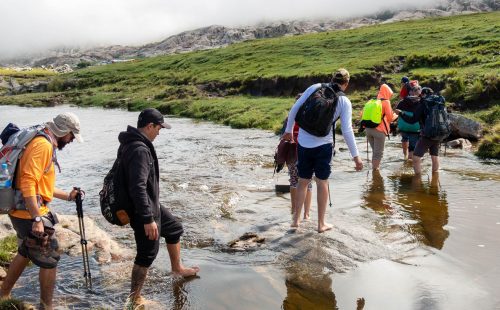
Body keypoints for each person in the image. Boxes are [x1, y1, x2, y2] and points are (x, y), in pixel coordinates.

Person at [0, 112, 84, 310]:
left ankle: (3, 293)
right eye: (72, 135)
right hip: (28, 212)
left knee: (26, 251)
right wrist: (37, 218)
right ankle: (47, 306)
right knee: (50, 258)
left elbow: (40, 184)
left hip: (24, 209)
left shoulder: (43, 138)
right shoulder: (43, 145)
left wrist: (68, 196)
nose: (71, 140)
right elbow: (28, 182)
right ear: (64, 131)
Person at [118, 108, 199, 308]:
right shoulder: (140, 150)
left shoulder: (132, 143)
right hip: (141, 207)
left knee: (174, 228)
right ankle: (134, 298)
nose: (159, 132)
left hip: (148, 203)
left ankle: (177, 268)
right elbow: (137, 187)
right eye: (159, 128)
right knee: (146, 254)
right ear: (149, 126)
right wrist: (147, 218)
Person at [282, 68, 363, 233]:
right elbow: (347, 130)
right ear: (346, 84)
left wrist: (289, 130)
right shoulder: (344, 101)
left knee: (302, 181)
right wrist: (356, 157)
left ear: (332, 78)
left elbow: (295, 108)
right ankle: (321, 224)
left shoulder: (315, 87)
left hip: (303, 143)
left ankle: (296, 220)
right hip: (324, 146)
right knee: (322, 182)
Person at [280, 93, 313, 219]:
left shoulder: (290, 117)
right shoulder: (311, 117)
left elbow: (283, 136)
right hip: (308, 151)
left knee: (294, 181)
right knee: (308, 183)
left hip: (292, 152)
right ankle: (306, 214)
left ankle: (294, 210)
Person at [396, 87, 441, 174]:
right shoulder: (438, 103)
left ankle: (417, 181)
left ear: (423, 94)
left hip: (427, 134)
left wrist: (401, 113)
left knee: (416, 158)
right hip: (439, 133)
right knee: (434, 157)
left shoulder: (423, 104)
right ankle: (434, 180)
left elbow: (413, 120)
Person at [364, 84, 396, 170]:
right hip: (379, 131)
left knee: (375, 152)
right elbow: (389, 118)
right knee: (378, 154)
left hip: (368, 130)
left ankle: (374, 170)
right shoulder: (386, 102)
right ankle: (376, 173)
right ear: (387, 93)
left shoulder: (372, 101)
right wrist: (395, 116)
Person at [395, 84, 422, 160]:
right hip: (415, 126)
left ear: (411, 92)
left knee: (404, 139)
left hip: (403, 126)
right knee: (412, 145)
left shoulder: (403, 101)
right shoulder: (421, 102)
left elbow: (396, 111)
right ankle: (410, 162)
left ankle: (405, 156)